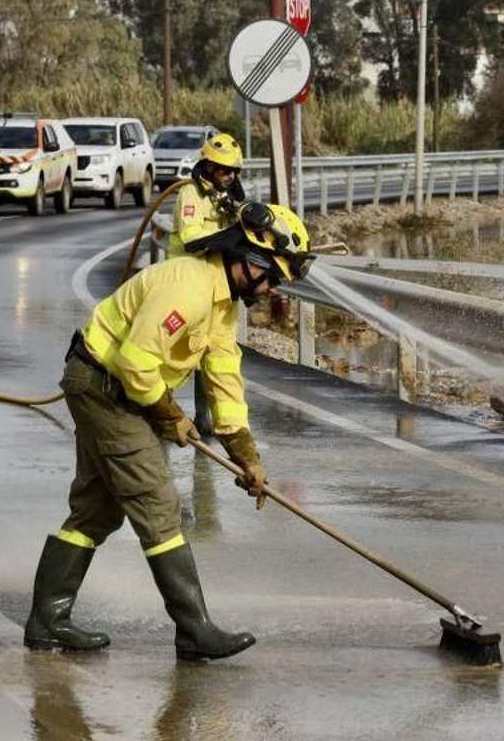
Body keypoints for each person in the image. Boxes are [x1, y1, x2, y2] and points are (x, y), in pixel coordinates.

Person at [25, 201, 315, 662]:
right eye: (273, 276)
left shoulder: (222, 305)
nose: (272, 288)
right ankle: (194, 629)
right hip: (104, 386)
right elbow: (134, 361)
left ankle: (47, 619)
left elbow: (224, 379)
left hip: (117, 388)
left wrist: (247, 457)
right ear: (249, 259)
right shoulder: (189, 289)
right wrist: (168, 415)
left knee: (96, 510)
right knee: (160, 505)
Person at [167, 133, 244, 258]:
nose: (232, 176)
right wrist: (231, 235)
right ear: (209, 167)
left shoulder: (224, 192)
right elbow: (191, 238)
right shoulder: (191, 192)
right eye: (227, 171)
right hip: (186, 266)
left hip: (211, 263)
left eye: (235, 171)